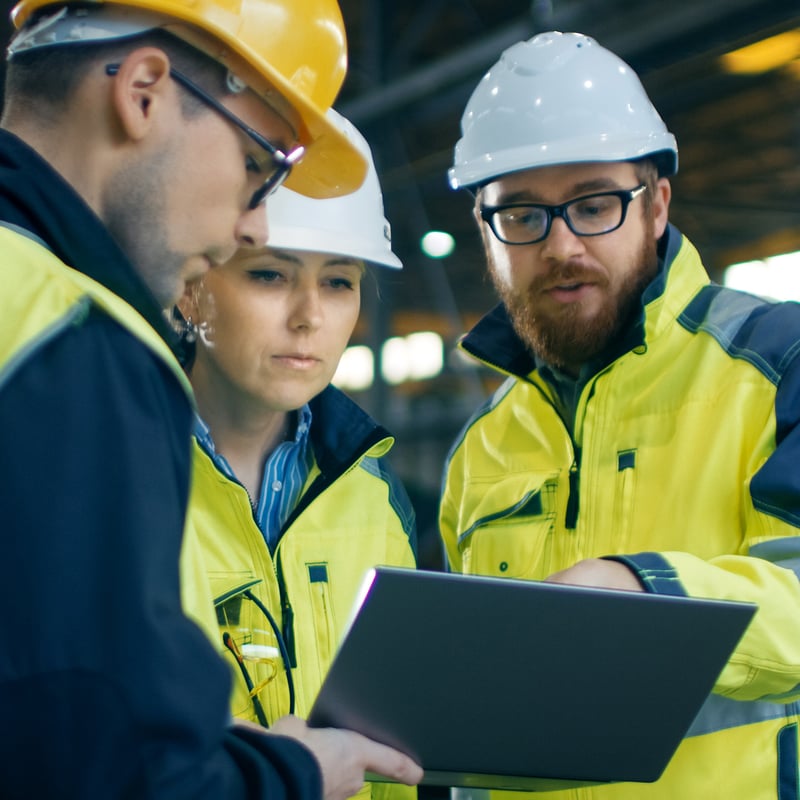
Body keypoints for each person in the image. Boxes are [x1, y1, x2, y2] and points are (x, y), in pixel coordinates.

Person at [0, 0, 421, 797]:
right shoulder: (71, 339)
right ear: (145, 92)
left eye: (340, 283)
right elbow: (112, 770)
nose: (253, 224)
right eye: (258, 164)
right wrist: (291, 774)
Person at [440, 30, 800, 800]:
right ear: (486, 230)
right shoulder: (483, 448)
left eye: (595, 204)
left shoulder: (781, 363)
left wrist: (647, 594)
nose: (562, 244)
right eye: (523, 216)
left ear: (657, 205)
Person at [176, 110, 417, 800]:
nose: (310, 315)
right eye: (272, 276)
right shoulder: (121, 474)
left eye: (339, 283)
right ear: (193, 289)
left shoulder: (373, 492)